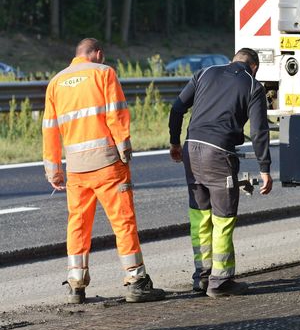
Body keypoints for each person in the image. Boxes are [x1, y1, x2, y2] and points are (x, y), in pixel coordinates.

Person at [42, 38, 165, 304]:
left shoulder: (56, 82)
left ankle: (76, 284)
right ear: (97, 53)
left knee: (78, 224)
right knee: (123, 221)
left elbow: (50, 130)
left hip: (76, 169)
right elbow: (116, 114)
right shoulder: (104, 73)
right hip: (108, 164)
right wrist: (125, 151)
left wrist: (53, 170)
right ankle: (136, 280)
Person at [169, 47, 273, 298]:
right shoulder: (253, 86)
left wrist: (174, 142)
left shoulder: (204, 73)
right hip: (219, 155)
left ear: (232, 60)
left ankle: (202, 277)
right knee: (223, 219)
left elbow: (177, 107)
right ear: (254, 67)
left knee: (199, 216)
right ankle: (221, 280)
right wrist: (265, 168)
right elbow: (259, 131)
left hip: (191, 149)